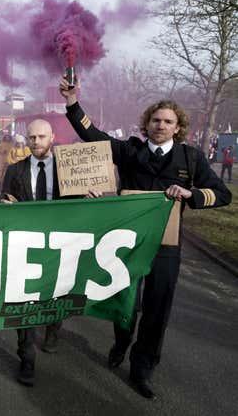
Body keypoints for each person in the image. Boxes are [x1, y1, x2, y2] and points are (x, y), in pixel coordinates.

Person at [59, 77, 232, 399]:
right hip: (127, 244)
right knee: (126, 303)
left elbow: (222, 194)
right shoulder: (129, 151)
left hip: (166, 248)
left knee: (157, 308)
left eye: (168, 121)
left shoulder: (191, 158)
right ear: (147, 123)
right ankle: (121, 341)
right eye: (155, 120)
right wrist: (72, 103)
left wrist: (190, 193)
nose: (160, 126)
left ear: (178, 127)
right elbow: (92, 135)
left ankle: (143, 367)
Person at [0, 119, 66, 387]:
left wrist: (90, 197)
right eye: (31, 137)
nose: (35, 141)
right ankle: (26, 357)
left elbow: (79, 203)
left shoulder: (68, 169)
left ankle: (54, 327)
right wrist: (3, 202)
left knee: (57, 293)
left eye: (41, 137)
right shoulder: (15, 170)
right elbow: (3, 197)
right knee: (23, 301)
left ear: (52, 137)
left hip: (61, 244)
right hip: (25, 244)